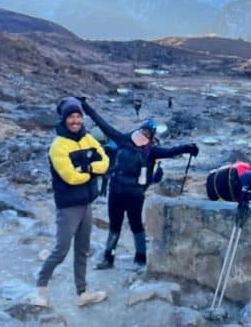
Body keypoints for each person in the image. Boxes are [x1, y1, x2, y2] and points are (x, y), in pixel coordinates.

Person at [82, 99, 198, 272]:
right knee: (115, 225)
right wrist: (87, 108)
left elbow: (171, 151)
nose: (144, 134)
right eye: (143, 130)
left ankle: (141, 259)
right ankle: (109, 257)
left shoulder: (151, 152)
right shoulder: (122, 140)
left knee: (136, 225)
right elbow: (102, 124)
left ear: (151, 137)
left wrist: (188, 148)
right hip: (115, 192)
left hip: (135, 195)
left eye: (148, 133)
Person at [36, 97, 110, 307]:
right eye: (71, 116)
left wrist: (86, 169)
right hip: (69, 206)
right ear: (64, 119)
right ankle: (40, 288)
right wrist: (91, 170)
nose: (75, 120)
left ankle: (83, 292)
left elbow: (105, 163)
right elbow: (70, 177)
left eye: (78, 116)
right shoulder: (58, 146)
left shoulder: (88, 139)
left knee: (82, 249)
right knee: (61, 249)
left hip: (86, 204)